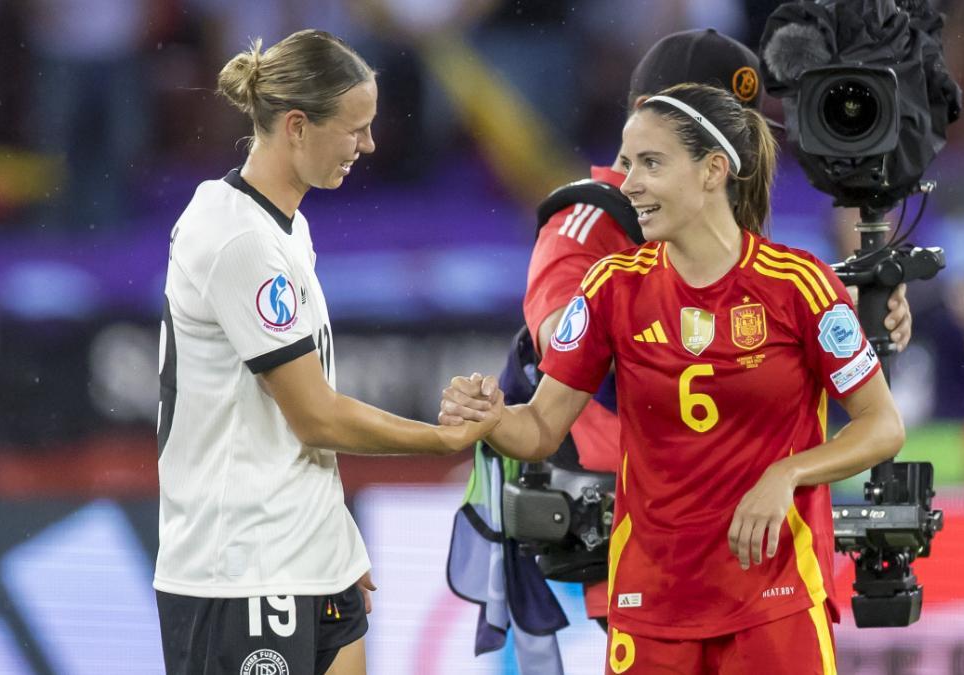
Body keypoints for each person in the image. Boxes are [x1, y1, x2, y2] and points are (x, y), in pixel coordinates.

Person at [441, 82, 905, 673]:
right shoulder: (611, 286)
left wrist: (787, 474)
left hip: (775, 601)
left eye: (651, 163)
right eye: (627, 163)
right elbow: (539, 428)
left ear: (714, 171)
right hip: (649, 605)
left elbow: (882, 426)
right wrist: (492, 418)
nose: (629, 182)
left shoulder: (799, 284)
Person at [520, 28, 913, 622]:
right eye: (696, 117)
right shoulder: (587, 223)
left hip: (750, 535)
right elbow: (570, 353)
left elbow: (748, 321)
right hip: (645, 526)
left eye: (731, 122)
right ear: (642, 116)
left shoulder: (723, 222)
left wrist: (841, 310)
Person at [153, 30, 495, 675]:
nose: (367, 145)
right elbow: (316, 416)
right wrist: (442, 440)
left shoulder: (283, 228)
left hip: (307, 555)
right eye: (355, 128)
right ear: (297, 126)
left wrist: (334, 538)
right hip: (241, 568)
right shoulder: (239, 241)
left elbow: (284, 428)